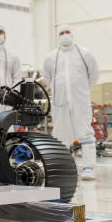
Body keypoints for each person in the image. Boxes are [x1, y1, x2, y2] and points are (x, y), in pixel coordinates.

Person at [43, 25, 100, 180]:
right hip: (60, 102)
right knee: (61, 134)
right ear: (58, 36)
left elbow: (94, 75)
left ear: (72, 35)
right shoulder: (51, 57)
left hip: (80, 100)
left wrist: (81, 90)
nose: (65, 35)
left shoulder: (84, 53)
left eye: (68, 32)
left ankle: (88, 167)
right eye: (62, 33)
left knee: (85, 132)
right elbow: (47, 78)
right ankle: (64, 167)